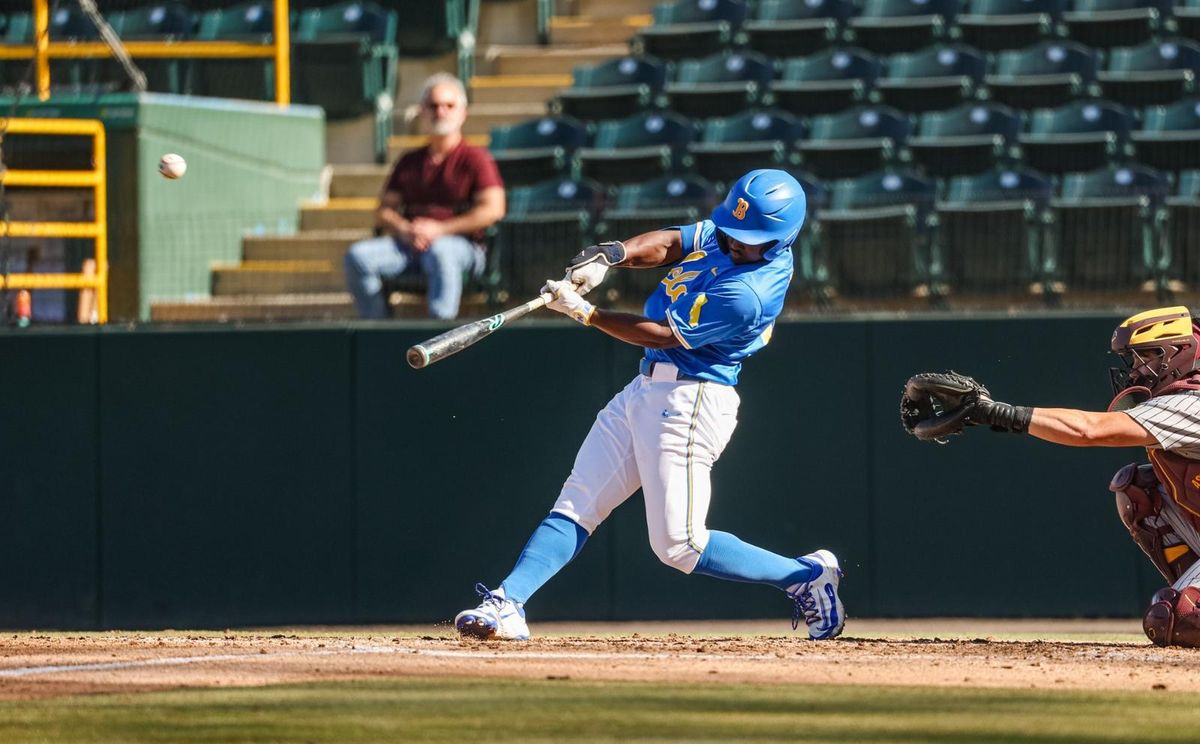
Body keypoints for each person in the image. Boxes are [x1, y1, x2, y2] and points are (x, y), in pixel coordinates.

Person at [453, 170, 845, 642]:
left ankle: (804, 576)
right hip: (645, 389)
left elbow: (661, 334)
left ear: (779, 240)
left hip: (692, 400)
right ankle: (508, 602)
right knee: (577, 503)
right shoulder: (732, 233)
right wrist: (612, 254)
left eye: (748, 240)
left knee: (680, 546)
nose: (734, 242)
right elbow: (672, 243)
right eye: (733, 232)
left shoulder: (751, 293)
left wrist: (586, 313)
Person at [901, 306, 1200, 647]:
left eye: (1145, 357)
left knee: (1178, 618)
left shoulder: (1190, 403)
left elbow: (1089, 430)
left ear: (1179, 352)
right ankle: (1189, 587)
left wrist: (993, 412)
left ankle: (1189, 599)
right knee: (1138, 490)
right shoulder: (1180, 400)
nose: (1134, 369)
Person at [344, 73, 505, 319]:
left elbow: (493, 209)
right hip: (410, 246)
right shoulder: (409, 161)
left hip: (462, 247)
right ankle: (378, 330)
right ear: (422, 112)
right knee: (358, 256)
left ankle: (440, 334)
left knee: (440, 251)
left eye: (449, 105)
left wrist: (440, 230)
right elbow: (383, 210)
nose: (441, 112)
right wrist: (405, 230)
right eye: (433, 106)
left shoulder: (476, 159)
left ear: (463, 113)